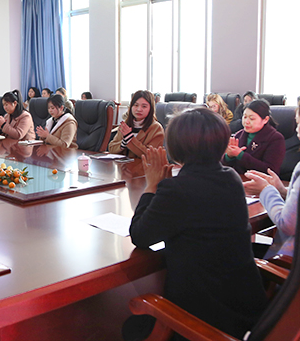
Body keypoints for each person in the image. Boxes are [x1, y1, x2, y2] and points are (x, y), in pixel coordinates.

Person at [126, 108, 267, 340]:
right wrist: (165, 189)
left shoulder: (178, 190)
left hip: (204, 322)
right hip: (245, 312)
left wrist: (152, 185)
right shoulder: (230, 178)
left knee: (131, 327)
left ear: (176, 148)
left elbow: (140, 235)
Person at [243, 106, 300, 259]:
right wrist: (281, 191)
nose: (297, 130)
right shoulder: (242, 135)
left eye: (298, 123)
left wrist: (266, 190)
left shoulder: (274, 138)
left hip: (287, 262)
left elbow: (287, 224)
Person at [223, 99, 285, 175]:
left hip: (261, 184)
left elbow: (270, 170)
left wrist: (241, 155)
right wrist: (229, 156)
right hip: (238, 180)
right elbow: (224, 167)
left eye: (251, 118)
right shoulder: (238, 135)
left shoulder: (275, 138)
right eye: (245, 117)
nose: (246, 121)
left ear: (265, 120)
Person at [108, 90, 164, 159]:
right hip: (124, 167)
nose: (139, 109)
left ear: (151, 109)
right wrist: (123, 143)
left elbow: (150, 156)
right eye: (136, 105)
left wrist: (130, 139)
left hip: (144, 168)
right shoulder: (126, 124)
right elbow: (111, 148)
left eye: (144, 106)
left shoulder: (156, 128)